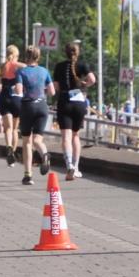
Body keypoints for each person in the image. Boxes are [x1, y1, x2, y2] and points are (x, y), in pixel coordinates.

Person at [53, 42, 97, 180]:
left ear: (65, 52)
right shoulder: (83, 65)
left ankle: (69, 166)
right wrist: (85, 85)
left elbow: (55, 87)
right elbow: (92, 79)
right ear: (77, 53)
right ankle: (77, 167)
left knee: (66, 137)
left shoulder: (59, 66)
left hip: (64, 101)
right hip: (79, 101)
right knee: (76, 136)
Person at [15, 46, 56, 185]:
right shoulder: (44, 71)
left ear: (26, 57)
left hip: (27, 107)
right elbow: (52, 92)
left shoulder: (21, 71)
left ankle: (28, 175)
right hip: (42, 107)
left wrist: (19, 88)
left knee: (27, 141)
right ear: (38, 57)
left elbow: (19, 90)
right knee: (37, 140)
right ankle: (44, 154)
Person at [0, 45, 25, 167]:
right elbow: (27, 67)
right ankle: (12, 151)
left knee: (7, 128)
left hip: (4, 98)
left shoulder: (1, 66)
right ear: (16, 55)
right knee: (14, 129)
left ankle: (8, 147)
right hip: (16, 99)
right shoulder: (17, 66)